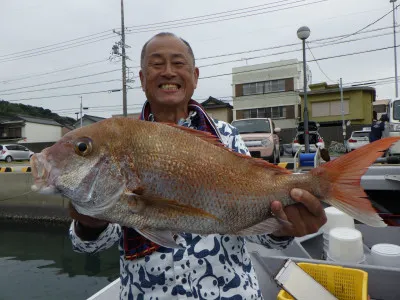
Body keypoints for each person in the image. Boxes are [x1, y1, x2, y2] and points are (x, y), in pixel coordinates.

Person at [68, 32, 327, 299]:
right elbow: (90, 246)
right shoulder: (119, 142)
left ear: (195, 76)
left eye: (178, 64)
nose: (168, 72)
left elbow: (253, 233)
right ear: (143, 79)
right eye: (157, 64)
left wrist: (283, 230)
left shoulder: (226, 136)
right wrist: (89, 223)